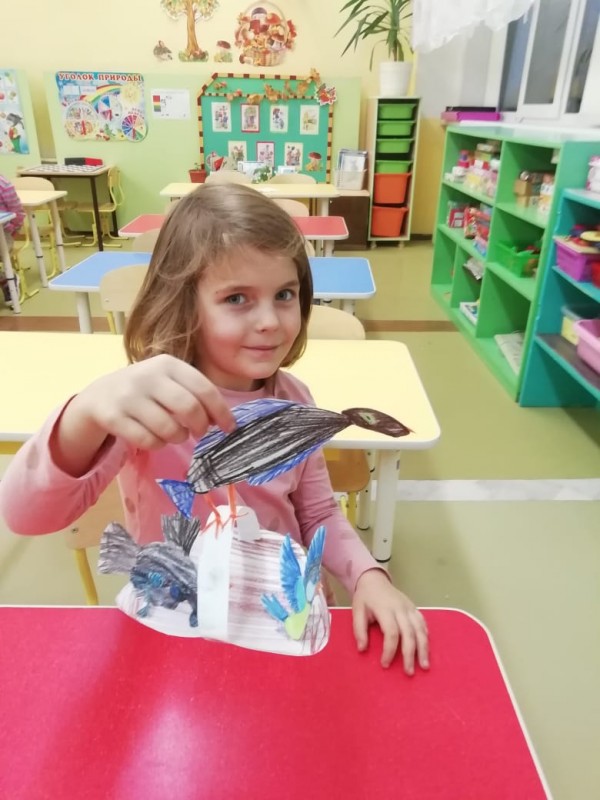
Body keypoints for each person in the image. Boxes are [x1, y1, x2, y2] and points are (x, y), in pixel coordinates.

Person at [0, 184, 429, 674]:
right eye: (237, 298)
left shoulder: (294, 398)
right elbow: (26, 516)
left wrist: (368, 575)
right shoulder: (147, 404)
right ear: (184, 304)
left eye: (285, 295)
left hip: (280, 620)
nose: (270, 321)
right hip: (176, 625)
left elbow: (317, 513)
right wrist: (85, 413)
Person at [0, 174, 25, 306]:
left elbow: (16, 210)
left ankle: (7, 279)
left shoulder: (3, 184)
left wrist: (14, 228)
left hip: (3, 232)